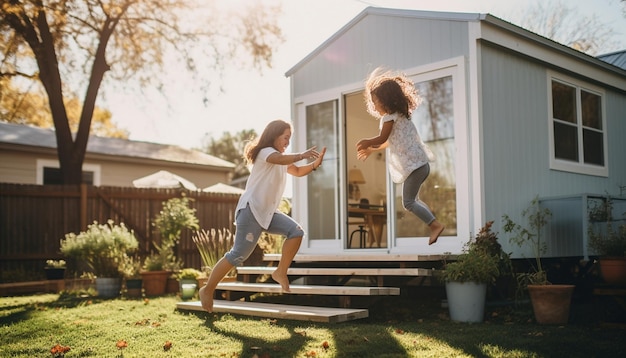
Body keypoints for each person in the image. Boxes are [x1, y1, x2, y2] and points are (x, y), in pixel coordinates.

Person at [199, 119, 326, 313]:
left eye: (289, 139)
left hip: (267, 212)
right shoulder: (265, 153)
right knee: (238, 255)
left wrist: (314, 165)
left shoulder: (282, 159)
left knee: (296, 232)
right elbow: (282, 160)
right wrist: (302, 154)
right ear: (274, 136)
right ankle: (208, 289)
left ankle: (280, 271)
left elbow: (298, 171)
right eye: (285, 138)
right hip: (251, 210)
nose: (287, 142)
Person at [356, 67, 444, 245]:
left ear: (386, 101)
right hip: (421, 165)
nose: (373, 105)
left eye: (375, 101)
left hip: (415, 167)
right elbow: (389, 141)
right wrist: (373, 150)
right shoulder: (401, 117)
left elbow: (382, 137)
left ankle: (434, 225)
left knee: (409, 203)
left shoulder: (389, 118)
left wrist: (366, 141)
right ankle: (433, 223)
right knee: (414, 200)